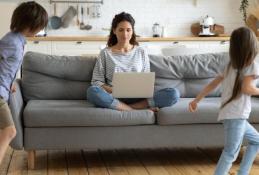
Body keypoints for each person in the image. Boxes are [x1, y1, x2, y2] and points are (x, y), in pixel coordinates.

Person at [189, 26, 259, 175]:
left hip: (231, 115)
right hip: (237, 116)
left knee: (256, 141)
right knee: (230, 153)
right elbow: (247, 88)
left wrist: (197, 99)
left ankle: (243, 173)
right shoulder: (252, 65)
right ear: (252, 46)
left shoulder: (229, 65)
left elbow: (213, 84)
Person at [87, 12, 180, 111]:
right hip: (114, 96)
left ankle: (125, 108)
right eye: (121, 30)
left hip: (139, 97)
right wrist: (116, 90)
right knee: (92, 92)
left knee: (173, 93)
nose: (125, 34)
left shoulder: (141, 51)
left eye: (128, 30)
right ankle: (134, 110)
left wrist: (144, 89)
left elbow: (146, 79)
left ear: (132, 31)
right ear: (114, 31)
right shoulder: (105, 53)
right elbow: (96, 82)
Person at [0, 1, 48, 164]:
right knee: (10, 131)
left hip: (4, 90)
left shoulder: (18, 40)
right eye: (40, 25)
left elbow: (7, 66)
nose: (40, 29)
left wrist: (11, 81)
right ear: (31, 24)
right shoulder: (11, 42)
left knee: (6, 132)